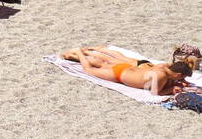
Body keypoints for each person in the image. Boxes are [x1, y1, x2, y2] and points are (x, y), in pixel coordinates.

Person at [59, 47, 190, 96]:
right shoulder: (161, 75)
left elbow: (173, 72)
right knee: (90, 70)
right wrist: (172, 88)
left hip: (125, 69)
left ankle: (75, 56)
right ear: (178, 75)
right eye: (181, 77)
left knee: (102, 64)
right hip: (119, 75)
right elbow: (155, 92)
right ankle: (78, 53)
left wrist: (176, 82)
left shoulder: (163, 67)